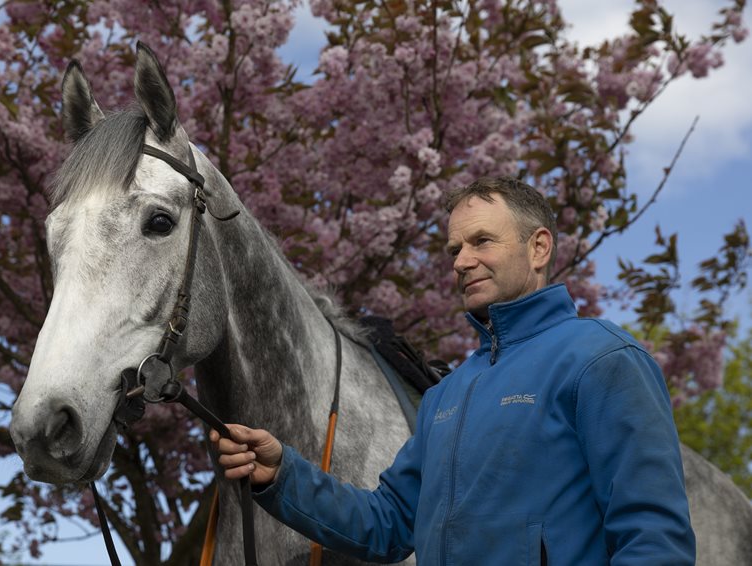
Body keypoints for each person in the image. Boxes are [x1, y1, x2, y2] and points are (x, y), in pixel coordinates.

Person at [210, 176, 696, 564]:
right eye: (453, 250)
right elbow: (387, 523)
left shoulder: (601, 360)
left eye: (482, 241)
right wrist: (281, 474)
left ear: (539, 248)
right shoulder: (447, 395)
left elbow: (653, 537)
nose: (462, 262)